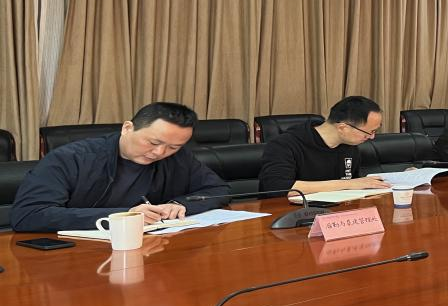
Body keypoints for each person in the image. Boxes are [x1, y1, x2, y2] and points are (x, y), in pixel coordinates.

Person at [12, 102, 229, 232]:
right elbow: (28, 215)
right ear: (127, 128)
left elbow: (218, 190)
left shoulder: (178, 158)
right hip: (74, 258)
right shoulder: (70, 159)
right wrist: (125, 215)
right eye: (153, 142)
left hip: (149, 252)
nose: (160, 153)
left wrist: (179, 204)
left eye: (173, 146)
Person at [257, 96, 391, 195]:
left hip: (336, 213)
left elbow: (354, 186)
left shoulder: (350, 146)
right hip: (288, 215)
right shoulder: (284, 145)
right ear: (343, 128)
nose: (372, 137)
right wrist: (347, 184)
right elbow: (277, 187)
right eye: (369, 132)